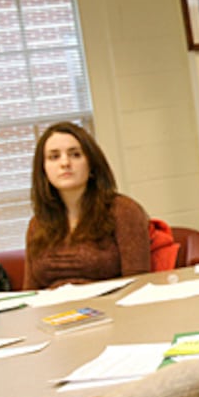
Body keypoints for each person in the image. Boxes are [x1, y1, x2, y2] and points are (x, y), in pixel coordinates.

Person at [23, 122, 150, 290]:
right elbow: (30, 292)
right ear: (44, 170)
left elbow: (138, 284)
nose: (65, 163)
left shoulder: (122, 210)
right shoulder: (37, 223)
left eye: (75, 155)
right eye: (54, 157)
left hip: (111, 311)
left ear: (91, 164)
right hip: (52, 314)